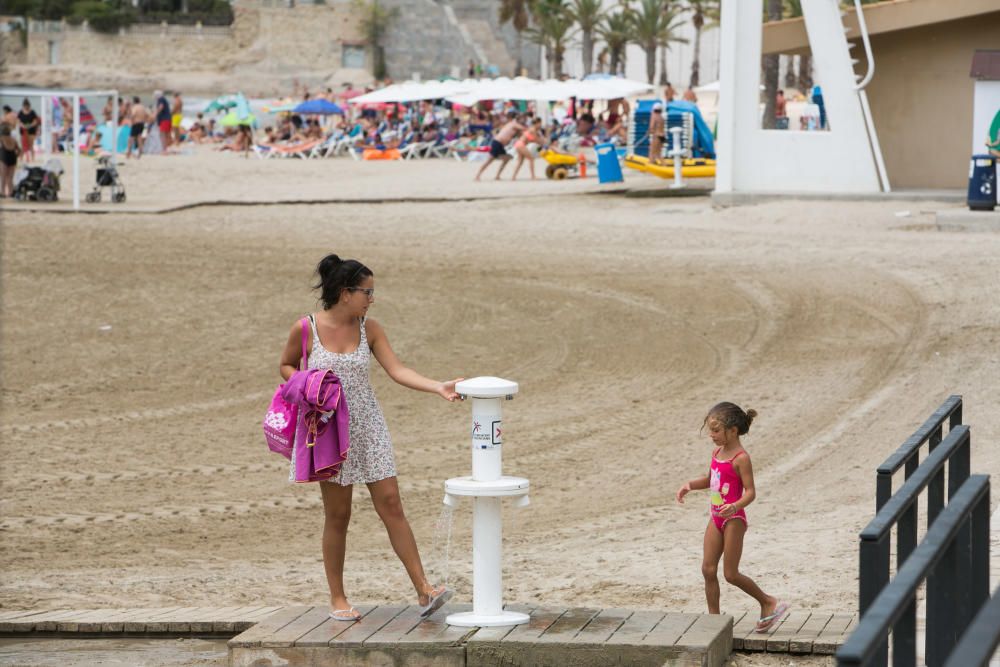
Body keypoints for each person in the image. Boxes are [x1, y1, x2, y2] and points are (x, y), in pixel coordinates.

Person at [278, 255, 461, 622]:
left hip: (369, 425)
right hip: (328, 430)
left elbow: (397, 369)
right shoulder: (306, 328)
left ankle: (425, 590)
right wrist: (307, 385)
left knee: (391, 503)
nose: (372, 298)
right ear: (345, 293)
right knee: (338, 514)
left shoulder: (370, 328)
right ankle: (338, 598)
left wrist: (437, 386)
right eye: (367, 292)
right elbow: (285, 365)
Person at [676, 402, 789, 631]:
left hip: (734, 520)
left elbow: (751, 492)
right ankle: (715, 621)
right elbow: (711, 480)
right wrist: (689, 485)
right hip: (715, 517)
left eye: (716, 430)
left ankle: (768, 602)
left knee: (730, 573)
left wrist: (736, 506)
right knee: (708, 569)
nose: (712, 435)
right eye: (710, 430)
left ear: (733, 431)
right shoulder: (717, 452)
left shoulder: (741, 458)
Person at [474, 111, 525, 181]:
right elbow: (524, 129)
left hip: (499, 143)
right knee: (490, 160)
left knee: (506, 158)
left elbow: (519, 133)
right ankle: (478, 175)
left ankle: (497, 176)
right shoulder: (514, 124)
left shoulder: (511, 124)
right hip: (497, 143)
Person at [0, 123, 21, 197]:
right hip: (13, 157)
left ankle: (2, 192)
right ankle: (10, 192)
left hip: (4, 157)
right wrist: (17, 155)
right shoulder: (13, 139)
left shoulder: (1, 138)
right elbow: (19, 150)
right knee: (10, 177)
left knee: (3, 177)